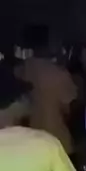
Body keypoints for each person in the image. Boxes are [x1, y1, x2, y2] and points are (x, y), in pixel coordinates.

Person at [16, 24, 78, 160]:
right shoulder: (59, 73)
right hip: (56, 139)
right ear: (49, 43)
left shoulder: (20, 70)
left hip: (29, 139)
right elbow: (69, 110)